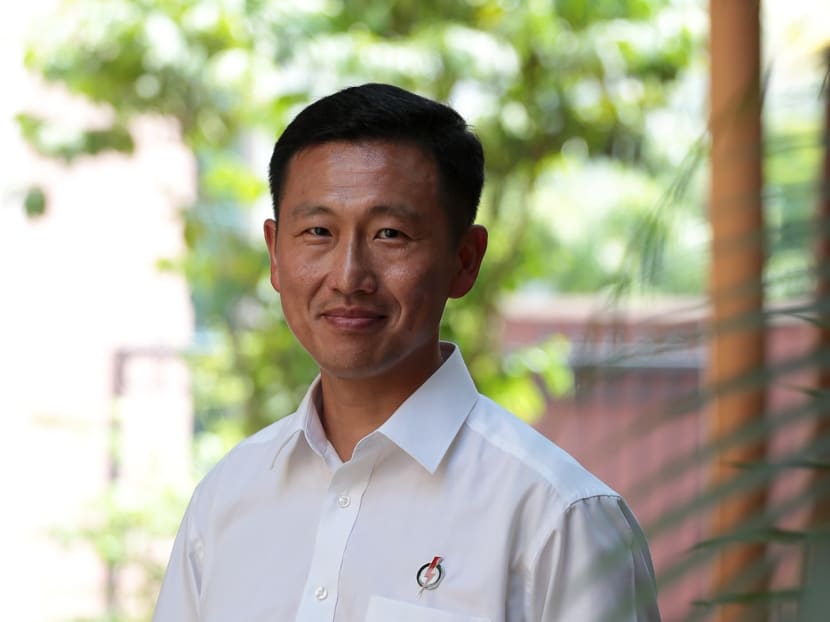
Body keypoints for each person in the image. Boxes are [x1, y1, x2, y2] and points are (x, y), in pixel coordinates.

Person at [153, 83, 660, 622]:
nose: (348, 276)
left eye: (390, 234)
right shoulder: (225, 499)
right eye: (318, 231)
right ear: (275, 254)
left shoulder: (557, 517)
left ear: (465, 260)